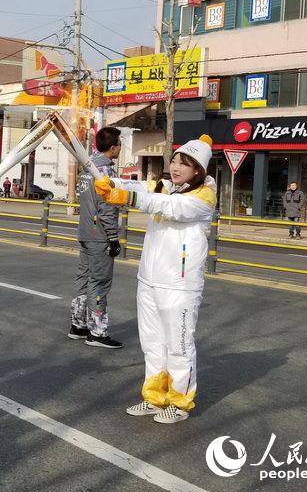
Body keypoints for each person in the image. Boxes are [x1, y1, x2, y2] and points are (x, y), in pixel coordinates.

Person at [95, 135, 216, 425]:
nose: (175, 167)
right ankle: (155, 397)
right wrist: (113, 185)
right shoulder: (165, 186)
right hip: (149, 279)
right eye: (174, 160)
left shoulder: (203, 196)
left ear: (197, 170)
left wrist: (128, 198)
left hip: (180, 284)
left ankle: (180, 402)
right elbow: (139, 186)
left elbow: (169, 207)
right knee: (153, 343)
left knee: (179, 345)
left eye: (184, 164)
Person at [69, 127, 123, 349]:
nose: (121, 148)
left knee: (84, 278)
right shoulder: (104, 174)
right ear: (112, 148)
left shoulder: (87, 168)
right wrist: (113, 237)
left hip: (84, 232)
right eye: (120, 144)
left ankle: (78, 325)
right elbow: (107, 207)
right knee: (99, 282)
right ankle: (98, 332)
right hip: (99, 235)